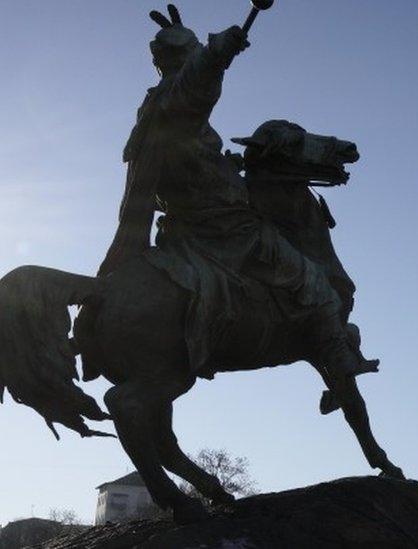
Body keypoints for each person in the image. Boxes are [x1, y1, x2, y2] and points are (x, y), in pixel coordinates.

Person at [98, 5, 362, 378]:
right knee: (316, 283)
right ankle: (339, 363)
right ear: (184, 60)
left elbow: (193, 160)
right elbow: (197, 84)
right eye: (190, 52)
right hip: (230, 231)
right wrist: (216, 51)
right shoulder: (178, 100)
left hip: (187, 228)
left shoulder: (155, 108)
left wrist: (228, 165)